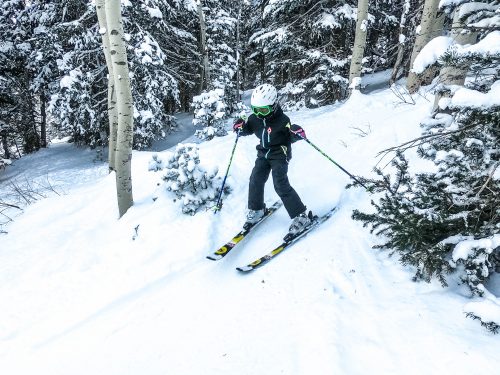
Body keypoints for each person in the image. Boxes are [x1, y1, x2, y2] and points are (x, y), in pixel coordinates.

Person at [233, 83, 312, 236]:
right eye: (255, 110)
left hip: (279, 154)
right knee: (255, 179)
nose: (259, 114)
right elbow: (247, 128)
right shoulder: (254, 118)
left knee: (280, 184)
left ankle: (301, 216)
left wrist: (297, 133)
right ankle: (257, 210)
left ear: (274, 105)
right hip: (263, 153)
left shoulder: (282, 120)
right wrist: (240, 128)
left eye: (263, 110)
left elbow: (290, 135)